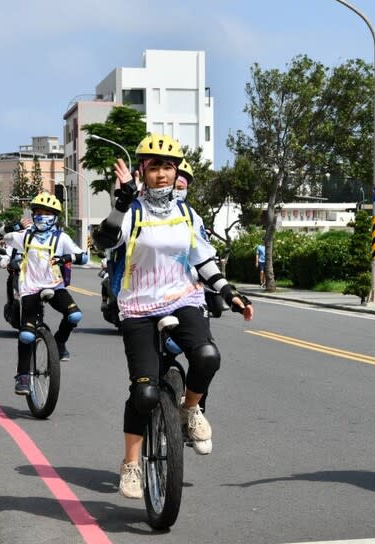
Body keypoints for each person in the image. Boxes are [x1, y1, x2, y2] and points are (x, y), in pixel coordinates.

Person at [91, 133, 253, 499]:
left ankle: (189, 409)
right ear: (142, 171)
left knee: (207, 355)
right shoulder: (131, 211)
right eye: (154, 167)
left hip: (183, 299)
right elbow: (104, 241)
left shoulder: (186, 212)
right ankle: (131, 464)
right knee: (145, 394)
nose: (162, 175)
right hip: (138, 306)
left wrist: (230, 293)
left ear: (175, 170)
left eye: (168, 167)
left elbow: (203, 260)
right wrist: (120, 205)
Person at [0, 193, 88, 393]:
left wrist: (68, 257)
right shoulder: (25, 236)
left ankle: (59, 342)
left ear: (55, 217)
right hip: (30, 289)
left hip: (54, 285)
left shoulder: (62, 237)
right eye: (39, 213)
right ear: (33, 215)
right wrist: (12, 227)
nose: (43, 216)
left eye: (48, 213)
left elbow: (83, 257)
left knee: (75, 315)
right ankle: (23, 375)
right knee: (26, 335)